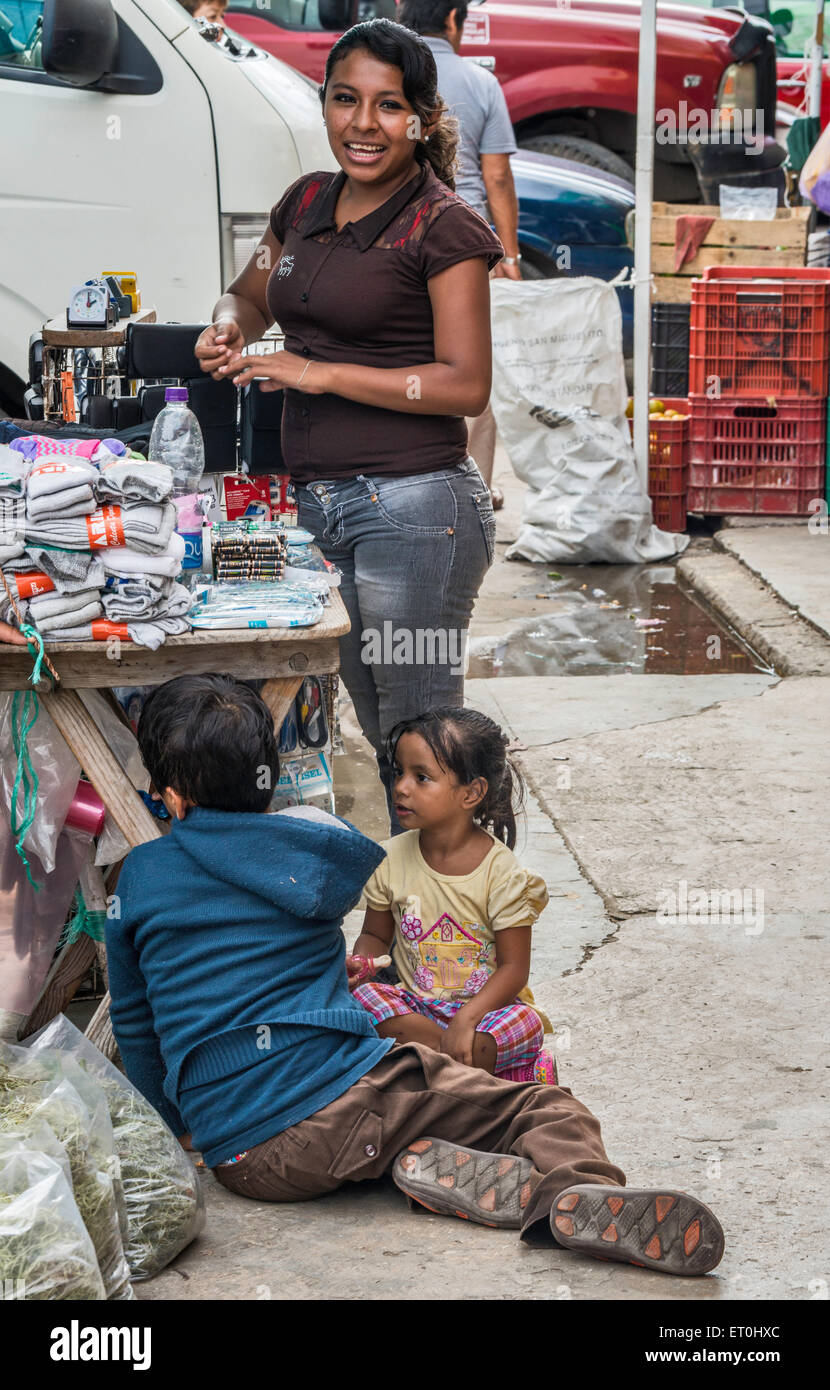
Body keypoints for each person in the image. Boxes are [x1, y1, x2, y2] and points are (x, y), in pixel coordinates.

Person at [106, 673, 725, 1276]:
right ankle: (570, 1196)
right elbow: (340, 849)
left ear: (171, 795)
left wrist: (178, 1131)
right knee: (550, 1109)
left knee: (393, 1116)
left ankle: (413, 1167)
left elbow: (136, 1024)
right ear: (268, 783)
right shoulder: (312, 853)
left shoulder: (138, 877)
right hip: (342, 1100)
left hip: (242, 1161)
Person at [194, 18, 501, 833]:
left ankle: (452, 940)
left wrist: (314, 372)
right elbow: (251, 292)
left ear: (422, 118)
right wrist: (227, 323)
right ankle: (419, 932)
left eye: (388, 105)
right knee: (380, 731)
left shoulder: (443, 228)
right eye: (344, 100)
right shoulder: (305, 205)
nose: (364, 124)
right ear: (324, 104)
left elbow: (466, 385)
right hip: (320, 507)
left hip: (417, 512)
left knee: (424, 747)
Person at [348, 707, 558, 1084]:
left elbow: (514, 968)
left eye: (421, 777)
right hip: (416, 1008)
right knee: (363, 1001)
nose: (401, 786)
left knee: (526, 1024)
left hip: (485, 1015)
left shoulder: (503, 873)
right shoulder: (391, 858)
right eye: (399, 772)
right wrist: (363, 963)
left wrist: (467, 1017)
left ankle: (427, 1069)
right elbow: (376, 935)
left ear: (472, 792)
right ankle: (478, 1073)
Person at [399, 0, 522, 510]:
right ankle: (471, 497)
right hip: (467, 250)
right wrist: (509, 255)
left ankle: (410, 488)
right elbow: (495, 175)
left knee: (406, 364)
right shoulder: (479, 81)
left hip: (397, 241)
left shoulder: (386, 74)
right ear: (453, 18)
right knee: (470, 376)